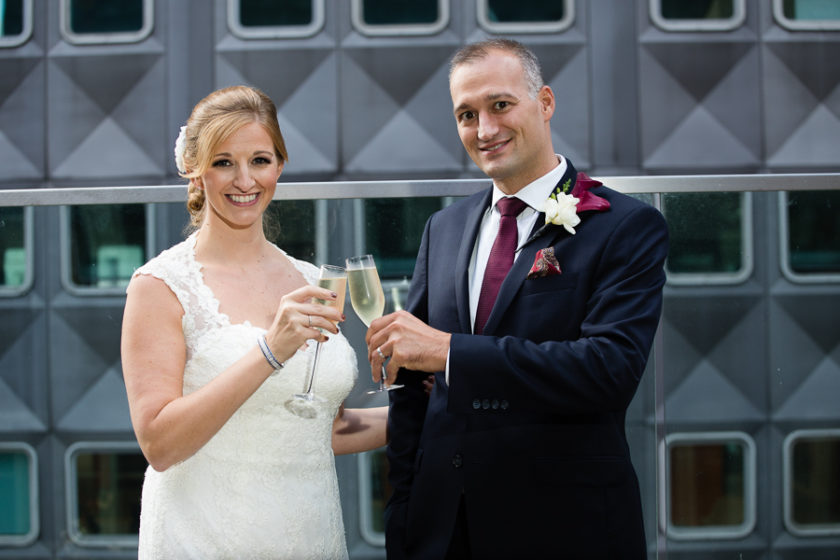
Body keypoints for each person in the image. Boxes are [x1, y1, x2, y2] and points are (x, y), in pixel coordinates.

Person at [365, 39, 669, 559]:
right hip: (442, 532)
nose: (484, 130)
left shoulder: (627, 226)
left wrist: (450, 352)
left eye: (500, 105)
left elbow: (609, 369)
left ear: (545, 103)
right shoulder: (444, 228)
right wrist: (403, 515)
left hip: (565, 530)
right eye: (466, 114)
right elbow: (413, 393)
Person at [120, 85, 386, 559]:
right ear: (194, 171)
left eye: (260, 160)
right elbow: (159, 444)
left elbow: (314, 426)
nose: (245, 180)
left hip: (309, 535)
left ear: (280, 166)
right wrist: (270, 351)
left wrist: (424, 413)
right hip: (202, 538)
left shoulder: (312, 279)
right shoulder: (160, 286)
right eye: (224, 162)